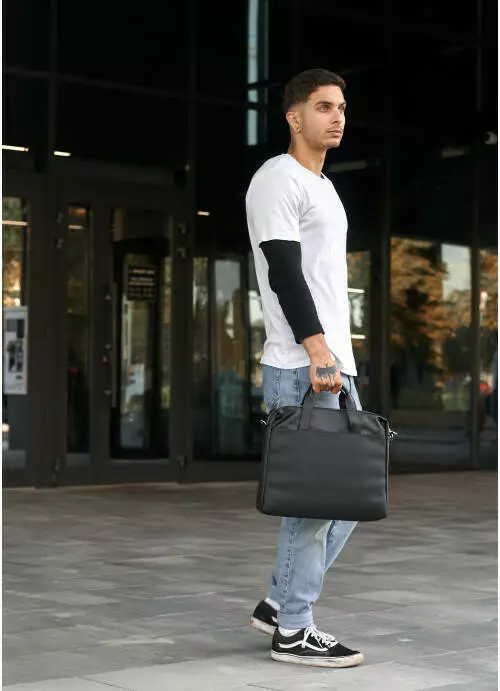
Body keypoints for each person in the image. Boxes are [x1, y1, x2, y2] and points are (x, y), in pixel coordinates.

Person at [245, 68, 364, 669]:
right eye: (323, 106)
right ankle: (294, 629)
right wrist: (318, 350)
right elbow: (285, 273)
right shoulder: (278, 178)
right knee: (316, 504)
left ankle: (278, 603)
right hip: (304, 363)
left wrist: (337, 357)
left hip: (333, 364)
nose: (337, 116)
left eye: (341, 107)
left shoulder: (324, 187)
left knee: (348, 497)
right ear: (294, 117)